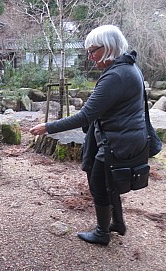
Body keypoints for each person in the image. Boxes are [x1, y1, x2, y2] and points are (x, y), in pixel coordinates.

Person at [29, 25, 148, 246]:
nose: (90, 56)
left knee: (99, 184)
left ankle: (102, 233)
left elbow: (86, 115)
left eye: (93, 50)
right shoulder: (129, 67)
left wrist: (48, 127)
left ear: (109, 47)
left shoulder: (117, 75)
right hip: (125, 137)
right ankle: (117, 224)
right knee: (109, 182)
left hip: (117, 141)